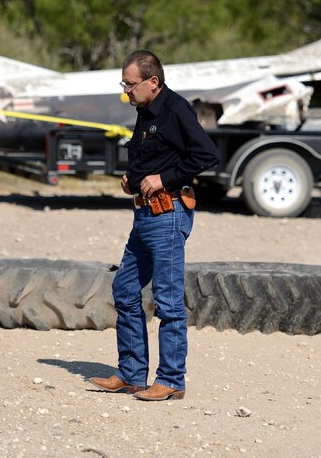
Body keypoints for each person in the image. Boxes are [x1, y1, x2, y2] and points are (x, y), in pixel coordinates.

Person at [89, 50, 220, 401]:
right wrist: (133, 179)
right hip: (144, 216)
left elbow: (206, 155)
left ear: (153, 82)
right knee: (125, 290)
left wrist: (164, 179)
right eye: (124, 84)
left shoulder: (176, 109)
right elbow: (153, 156)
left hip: (169, 213)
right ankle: (132, 374)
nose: (125, 91)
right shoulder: (144, 111)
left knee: (168, 301)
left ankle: (171, 380)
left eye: (130, 84)